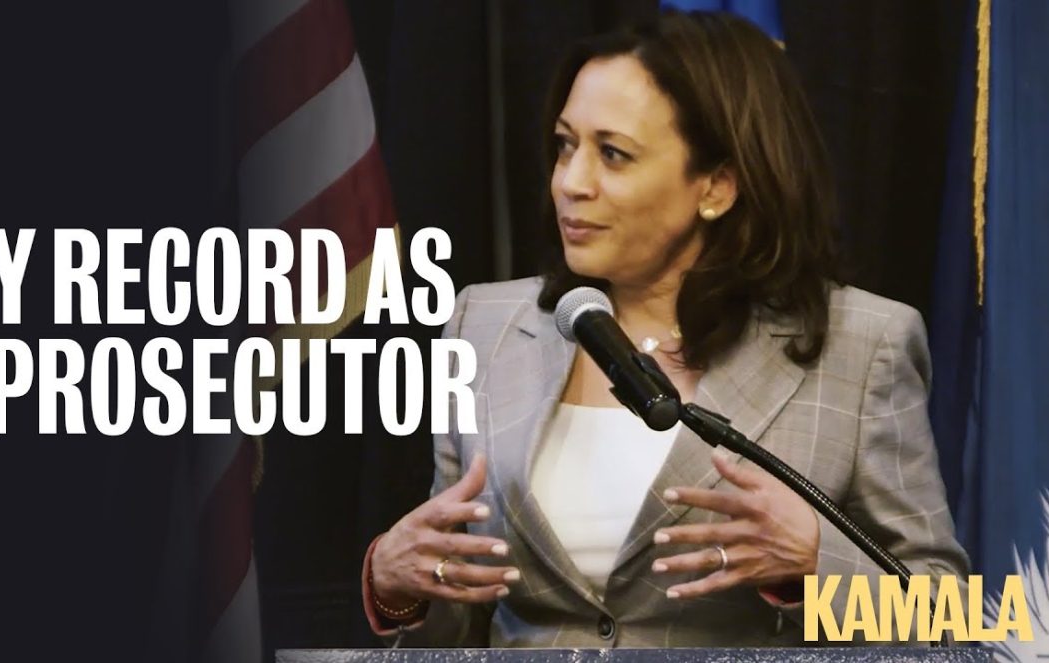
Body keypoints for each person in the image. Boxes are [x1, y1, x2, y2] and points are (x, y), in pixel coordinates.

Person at [361, 9, 969, 648]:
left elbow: (949, 620)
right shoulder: (483, 324)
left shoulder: (863, 343)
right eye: (565, 145)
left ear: (717, 186)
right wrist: (397, 585)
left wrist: (815, 565)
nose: (571, 182)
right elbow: (458, 611)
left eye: (613, 154)